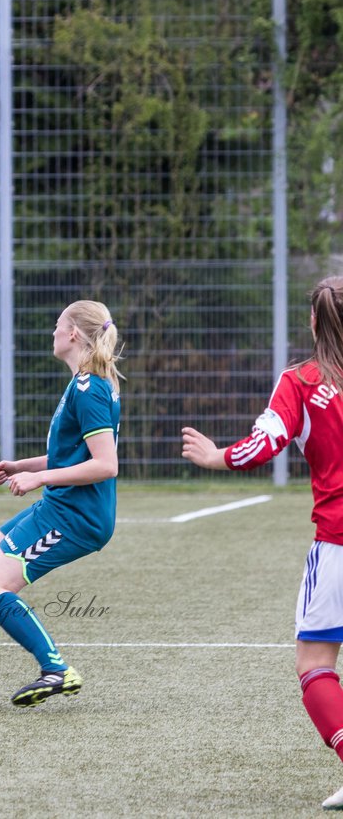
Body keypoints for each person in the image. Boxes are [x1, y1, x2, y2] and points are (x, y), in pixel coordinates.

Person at [181, 276, 343, 810]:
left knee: (315, 664)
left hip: (338, 543)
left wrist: (217, 456)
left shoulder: (299, 382)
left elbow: (266, 443)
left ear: (314, 323)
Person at [0, 300, 123, 708]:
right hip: (59, 505)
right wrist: (23, 466)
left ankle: (57, 669)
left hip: (76, 517)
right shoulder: (83, 383)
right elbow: (73, 457)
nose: (51, 332)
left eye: (57, 325)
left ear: (72, 335)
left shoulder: (90, 389)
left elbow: (105, 465)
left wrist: (38, 478)